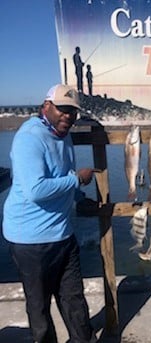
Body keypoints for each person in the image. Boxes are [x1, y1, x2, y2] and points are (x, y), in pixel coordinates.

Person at [2, 84, 98, 342]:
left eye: (73, 112)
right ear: (46, 107)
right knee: (39, 307)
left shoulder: (64, 135)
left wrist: (79, 197)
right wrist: (77, 181)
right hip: (30, 241)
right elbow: (36, 189)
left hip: (63, 236)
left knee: (74, 299)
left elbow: (61, 176)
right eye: (62, 109)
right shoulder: (29, 138)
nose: (68, 116)